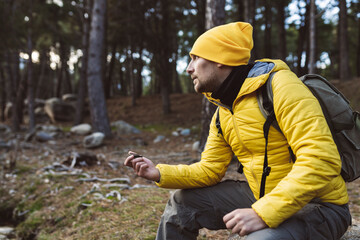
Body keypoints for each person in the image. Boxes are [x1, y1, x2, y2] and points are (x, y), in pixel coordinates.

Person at [124, 22, 351, 240]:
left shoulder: (281, 87)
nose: (189, 68)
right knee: (181, 202)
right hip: (263, 196)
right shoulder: (225, 111)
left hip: (319, 206)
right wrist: (159, 173)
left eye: (195, 58)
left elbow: (321, 159)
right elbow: (210, 169)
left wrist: (263, 213)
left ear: (220, 59)